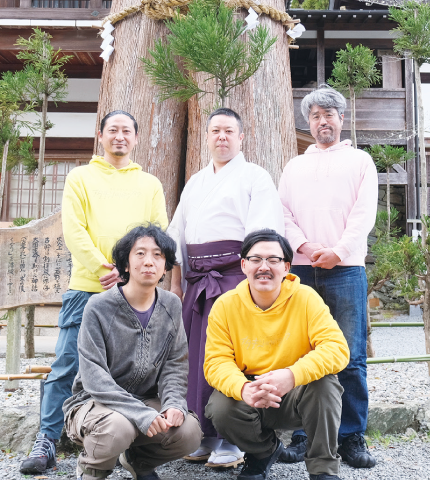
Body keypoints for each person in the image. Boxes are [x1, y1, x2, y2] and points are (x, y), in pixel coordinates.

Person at [20, 111, 169, 474]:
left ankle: (133, 445)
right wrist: (106, 268)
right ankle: (47, 439)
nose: (119, 137)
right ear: (100, 135)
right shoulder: (80, 177)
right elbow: (74, 229)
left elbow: (158, 231)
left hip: (134, 293)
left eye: (127, 131)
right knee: (67, 363)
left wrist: (130, 274)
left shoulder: (149, 183)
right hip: (88, 287)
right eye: (113, 130)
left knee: (136, 368)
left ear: (136, 138)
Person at [167, 108, 285, 468]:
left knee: (233, 357)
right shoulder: (196, 182)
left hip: (235, 278)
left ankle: (233, 441)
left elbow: (262, 237)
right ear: (207, 137)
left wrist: (254, 284)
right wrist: (176, 286)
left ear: (241, 137)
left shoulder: (255, 177)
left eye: (229, 131)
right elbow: (177, 237)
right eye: (215, 130)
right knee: (196, 357)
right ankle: (202, 435)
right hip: (197, 282)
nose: (222, 137)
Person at [277, 84, 379, 468]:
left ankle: (352, 437)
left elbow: (363, 213)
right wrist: (303, 246)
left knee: (350, 355)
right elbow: (284, 211)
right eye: (316, 115)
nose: (323, 121)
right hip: (302, 269)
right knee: (304, 352)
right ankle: (305, 435)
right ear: (309, 121)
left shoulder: (360, 162)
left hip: (346, 268)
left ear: (341, 118)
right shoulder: (294, 166)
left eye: (329, 114)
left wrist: (337, 250)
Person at [203, 228, 350, 480]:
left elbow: (336, 349)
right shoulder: (225, 305)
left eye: (273, 260)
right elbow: (217, 361)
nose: (264, 267)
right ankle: (263, 452)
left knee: (326, 386)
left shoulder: (306, 298)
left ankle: (323, 469)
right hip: (252, 390)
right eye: (256, 259)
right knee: (220, 407)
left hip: (297, 390)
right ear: (243, 265)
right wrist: (242, 388)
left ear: (286, 267)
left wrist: (292, 375)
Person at [61, 224, 202, 480]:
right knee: (118, 427)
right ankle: (92, 470)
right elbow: (94, 377)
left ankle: (139, 462)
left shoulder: (170, 304)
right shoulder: (98, 306)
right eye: (140, 254)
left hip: (145, 399)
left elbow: (175, 364)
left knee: (189, 431)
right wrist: (142, 414)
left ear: (166, 266)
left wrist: (173, 404)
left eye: (158, 255)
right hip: (93, 402)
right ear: (125, 264)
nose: (149, 261)